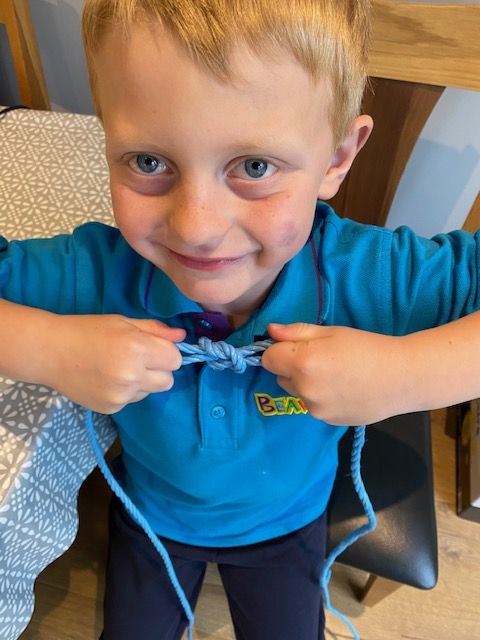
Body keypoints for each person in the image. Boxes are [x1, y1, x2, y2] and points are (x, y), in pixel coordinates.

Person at [1, 0, 480, 638]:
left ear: (337, 158)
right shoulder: (95, 273)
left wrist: (405, 376)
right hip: (150, 518)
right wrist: (47, 348)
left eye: (254, 167)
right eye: (148, 162)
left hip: (289, 526)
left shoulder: (368, 275)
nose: (196, 227)